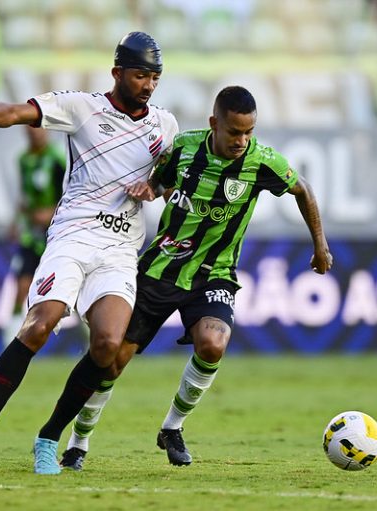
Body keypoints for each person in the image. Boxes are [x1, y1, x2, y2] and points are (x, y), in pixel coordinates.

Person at [0, 31, 179, 475]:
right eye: (141, 75)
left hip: (121, 248)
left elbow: (169, 176)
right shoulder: (83, 107)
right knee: (40, 325)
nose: (148, 85)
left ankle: (48, 437)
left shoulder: (166, 124)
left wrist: (155, 187)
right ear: (117, 72)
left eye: (155, 77)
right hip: (73, 237)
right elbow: (15, 113)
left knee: (107, 345)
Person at [56, 85, 333, 470]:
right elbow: (158, 180)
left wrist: (320, 245)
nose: (242, 141)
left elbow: (302, 190)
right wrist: (149, 189)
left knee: (213, 344)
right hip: (158, 270)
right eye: (234, 132)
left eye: (249, 132)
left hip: (214, 275)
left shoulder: (261, 162)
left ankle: (172, 428)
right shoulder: (184, 148)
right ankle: (78, 443)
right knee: (112, 362)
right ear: (213, 124)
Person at [4, 126, 66, 347]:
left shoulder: (57, 158)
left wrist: (50, 213)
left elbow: (70, 193)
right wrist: (15, 222)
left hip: (56, 233)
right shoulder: (24, 160)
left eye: (39, 130)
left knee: (70, 288)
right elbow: (24, 194)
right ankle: (11, 338)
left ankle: (90, 337)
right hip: (32, 234)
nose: (35, 134)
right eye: (31, 131)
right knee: (21, 284)